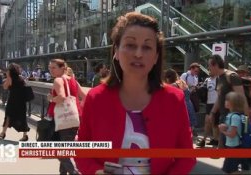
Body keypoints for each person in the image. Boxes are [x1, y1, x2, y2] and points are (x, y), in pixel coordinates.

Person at [74, 12, 196, 174]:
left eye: (146, 47)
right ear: (116, 51)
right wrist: (95, 172)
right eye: (131, 45)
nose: (138, 54)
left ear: (155, 57)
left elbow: (187, 157)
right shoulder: (96, 98)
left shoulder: (174, 99)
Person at [47, 59, 81, 174]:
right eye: (49, 67)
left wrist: (51, 98)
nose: (51, 70)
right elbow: (85, 96)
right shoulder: (73, 80)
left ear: (62, 68)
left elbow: (61, 97)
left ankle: (74, 172)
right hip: (74, 118)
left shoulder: (58, 80)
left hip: (62, 120)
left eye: (54, 67)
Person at [208, 55, 248, 148]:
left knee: (231, 146)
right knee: (225, 145)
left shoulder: (231, 76)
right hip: (224, 117)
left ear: (215, 65)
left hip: (234, 118)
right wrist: (213, 112)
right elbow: (219, 97)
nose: (208, 68)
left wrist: (246, 119)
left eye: (209, 65)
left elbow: (242, 97)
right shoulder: (218, 78)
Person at [0, 63, 30, 141]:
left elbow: (5, 87)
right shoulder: (21, 78)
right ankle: (25, 136)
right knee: (22, 117)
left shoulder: (10, 78)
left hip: (12, 100)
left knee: (8, 116)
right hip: (21, 101)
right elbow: (25, 86)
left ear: (10, 71)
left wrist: (7, 77)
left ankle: (3, 133)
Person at [219, 92, 249, 174]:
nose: (225, 101)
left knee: (232, 170)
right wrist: (224, 127)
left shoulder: (234, 117)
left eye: (226, 100)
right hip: (231, 147)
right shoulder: (231, 115)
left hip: (234, 147)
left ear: (231, 103)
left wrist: (223, 131)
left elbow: (232, 134)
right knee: (229, 169)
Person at [164, 68, 197, 136]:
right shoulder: (182, 81)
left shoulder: (174, 85)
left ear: (168, 77)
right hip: (189, 105)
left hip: (181, 106)